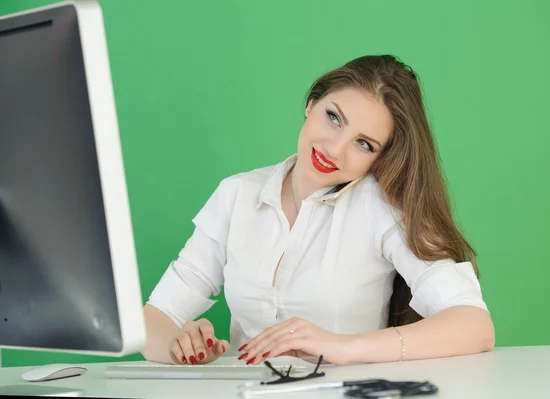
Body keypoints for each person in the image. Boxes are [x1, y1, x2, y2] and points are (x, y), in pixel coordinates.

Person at [141, 55, 495, 366]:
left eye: (363, 143)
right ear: (312, 103)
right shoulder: (237, 194)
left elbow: (474, 326)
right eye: (333, 118)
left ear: (380, 157)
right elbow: (152, 320)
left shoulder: (384, 208)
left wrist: (341, 347)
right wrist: (178, 347)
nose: (335, 149)